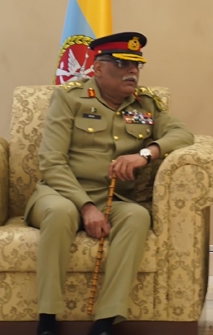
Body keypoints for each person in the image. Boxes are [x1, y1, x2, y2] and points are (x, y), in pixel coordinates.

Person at [25, 32, 194, 335]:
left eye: (136, 65)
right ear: (98, 68)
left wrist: (145, 154)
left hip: (114, 198)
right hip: (60, 192)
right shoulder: (70, 97)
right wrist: (86, 206)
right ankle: (47, 319)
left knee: (137, 216)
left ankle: (106, 321)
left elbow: (183, 134)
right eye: (121, 64)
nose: (132, 72)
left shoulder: (144, 104)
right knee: (60, 213)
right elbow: (51, 162)